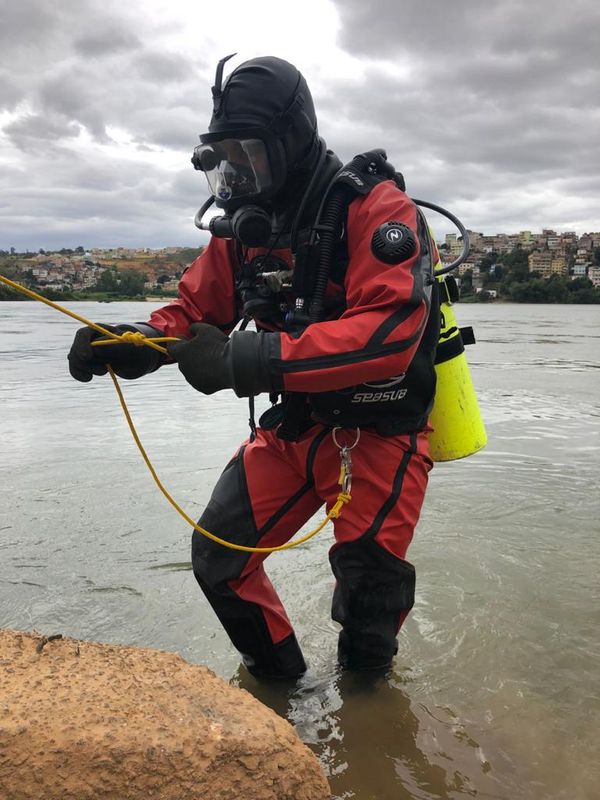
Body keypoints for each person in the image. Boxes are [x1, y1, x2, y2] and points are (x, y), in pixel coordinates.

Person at [67, 55, 440, 680]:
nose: (236, 171)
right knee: (218, 560)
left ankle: (366, 712)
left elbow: (389, 336)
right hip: (294, 424)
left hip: (379, 432)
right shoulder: (244, 229)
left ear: (289, 142)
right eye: (224, 156)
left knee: (368, 608)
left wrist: (246, 358)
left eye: (248, 153)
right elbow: (191, 308)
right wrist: (132, 341)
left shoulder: (380, 211)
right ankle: (281, 693)